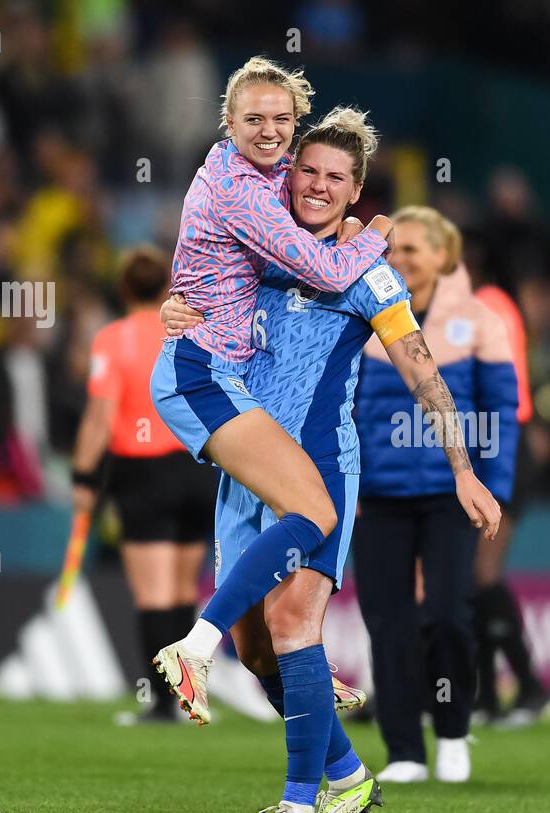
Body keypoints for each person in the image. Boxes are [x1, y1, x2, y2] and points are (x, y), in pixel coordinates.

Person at [158, 110, 502, 813]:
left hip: (319, 470)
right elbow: (200, 291)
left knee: (291, 622)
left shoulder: (369, 274)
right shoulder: (261, 250)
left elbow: (425, 376)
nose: (317, 185)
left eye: (335, 178)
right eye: (307, 171)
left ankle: (299, 806)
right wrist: (175, 306)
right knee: (259, 653)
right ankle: (346, 776)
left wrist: (463, 472)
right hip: (247, 464)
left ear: (356, 193)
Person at [146, 56, 399, 726]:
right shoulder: (245, 192)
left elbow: (311, 193)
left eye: (281, 119)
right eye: (253, 119)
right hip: (210, 379)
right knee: (312, 522)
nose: (269, 130)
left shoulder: (276, 176)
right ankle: (197, 649)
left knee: (261, 642)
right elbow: (317, 265)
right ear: (227, 123)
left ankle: (336, 775)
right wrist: (372, 234)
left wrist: (177, 299)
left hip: (238, 390)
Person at [352, 207, 518, 783]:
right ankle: (404, 751)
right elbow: (341, 405)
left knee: (448, 616)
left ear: (444, 257)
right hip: (376, 495)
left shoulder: (480, 321)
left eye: (412, 250)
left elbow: (501, 413)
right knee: (387, 622)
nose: (398, 259)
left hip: (452, 495)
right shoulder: (359, 308)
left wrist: (493, 489)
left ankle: (451, 732)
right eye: (393, 249)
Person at [70, 247, 220, 723]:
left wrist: (83, 476)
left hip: (143, 475)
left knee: (154, 594)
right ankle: (187, 697)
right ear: (164, 287)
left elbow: (100, 418)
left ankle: (162, 704)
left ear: (122, 289)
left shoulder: (113, 339)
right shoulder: (188, 327)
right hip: (197, 465)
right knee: (181, 591)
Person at [470, 282, 550, 726]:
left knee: (483, 573)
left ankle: (530, 685)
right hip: (489, 444)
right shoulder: (494, 303)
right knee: (474, 578)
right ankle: (485, 696)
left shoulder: (486, 305)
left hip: (503, 446)